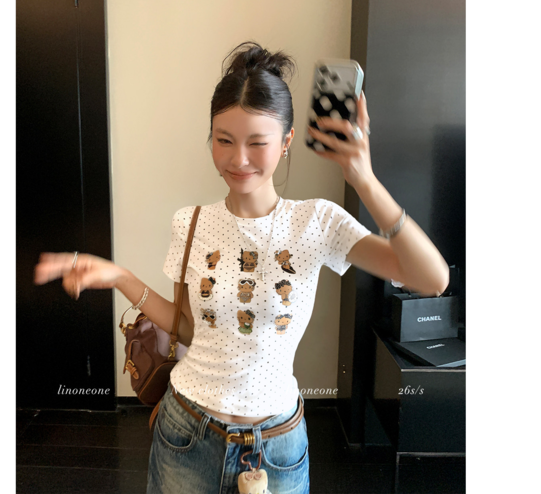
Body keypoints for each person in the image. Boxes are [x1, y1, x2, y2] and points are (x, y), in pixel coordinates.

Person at [34, 41, 449, 494]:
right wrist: (121, 278)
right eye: (224, 140)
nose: (238, 159)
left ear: (286, 142)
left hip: (277, 446)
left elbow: (431, 279)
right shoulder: (191, 222)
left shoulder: (317, 222)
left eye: (257, 143)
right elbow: (188, 330)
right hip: (185, 432)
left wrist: (364, 179)